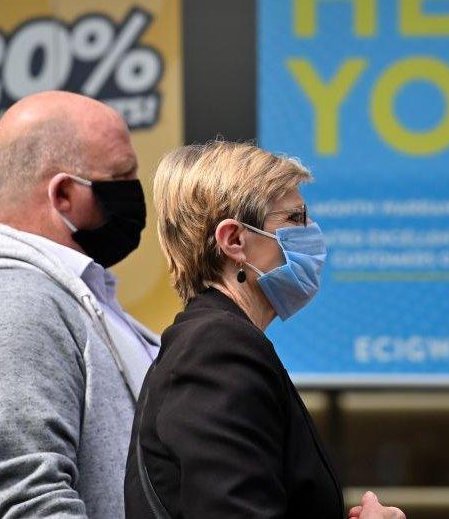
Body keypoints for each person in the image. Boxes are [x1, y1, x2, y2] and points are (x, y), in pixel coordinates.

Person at [124, 141, 404, 518]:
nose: (312, 234)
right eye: (294, 219)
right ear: (234, 240)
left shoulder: (216, 342)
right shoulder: (218, 350)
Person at [0, 90, 159, 518]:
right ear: (64, 195)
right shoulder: (13, 307)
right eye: (122, 176)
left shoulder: (71, 299)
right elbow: (30, 500)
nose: (135, 192)